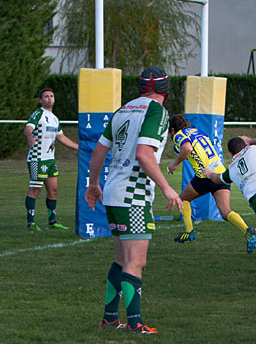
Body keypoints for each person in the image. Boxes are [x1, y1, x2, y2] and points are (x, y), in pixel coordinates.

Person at [85, 67, 182, 334]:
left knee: (121, 259)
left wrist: (93, 184)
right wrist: (167, 189)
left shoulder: (123, 110)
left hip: (114, 192)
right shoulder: (156, 111)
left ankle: (109, 318)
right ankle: (135, 322)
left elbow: (98, 150)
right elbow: (143, 153)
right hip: (134, 195)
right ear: (165, 90)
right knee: (135, 262)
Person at [167, 115, 256, 252]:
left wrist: (174, 164)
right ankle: (247, 230)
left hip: (205, 175)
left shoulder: (180, 135)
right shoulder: (198, 132)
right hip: (220, 174)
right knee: (226, 212)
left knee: (182, 199)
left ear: (173, 129)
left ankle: (189, 232)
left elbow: (186, 148)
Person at [24, 88, 79, 232]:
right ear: (41, 100)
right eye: (46, 96)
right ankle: (31, 223)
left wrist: (77, 147)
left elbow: (60, 137)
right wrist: (30, 137)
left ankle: (52, 221)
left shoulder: (54, 118)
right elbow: (28, 128)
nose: (49, 98)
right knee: (35, 189)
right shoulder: (38, 114)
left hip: (50, 160)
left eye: (51, 96)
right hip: (38, 158)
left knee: (53, 190)